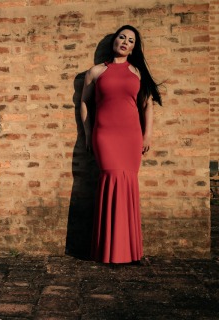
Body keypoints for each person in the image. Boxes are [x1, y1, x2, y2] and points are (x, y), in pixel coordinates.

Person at [80, 25, 162, 264]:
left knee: (128, 186)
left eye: (131, 40)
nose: (125, 42)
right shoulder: (95, 72)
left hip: (131, 136)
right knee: (110, 181)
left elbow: (147, 105)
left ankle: (129, 252)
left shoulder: (137, 72)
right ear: (114, 41)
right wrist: (87, 133)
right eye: (122, 37)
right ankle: (107, 251)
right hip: (104, 135)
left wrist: (147, 135)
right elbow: (84, 103)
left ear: (134, 48)